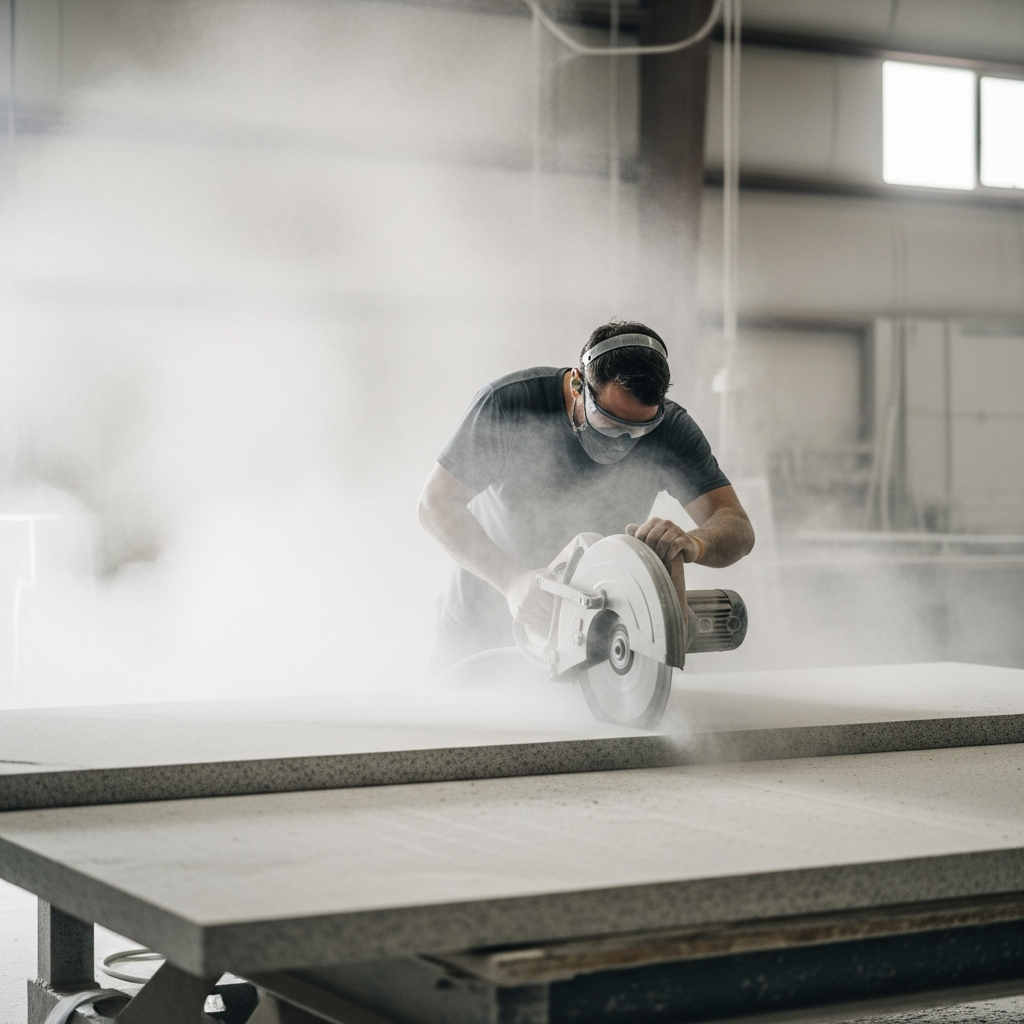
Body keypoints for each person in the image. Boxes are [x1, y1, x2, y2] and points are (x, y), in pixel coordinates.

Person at [418, 320, 755, 674]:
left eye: (639, 430)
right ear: (578, 383)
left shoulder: (672, 430)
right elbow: (434, 505)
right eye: (609, 422)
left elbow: (737, 527)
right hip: (481, 623)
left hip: (591, 634)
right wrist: (511, 580)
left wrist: (694, 543)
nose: (623, 441)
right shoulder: (509, 404)